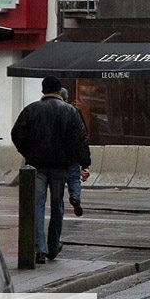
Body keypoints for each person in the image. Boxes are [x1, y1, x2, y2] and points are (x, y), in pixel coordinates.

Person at [11, 76, 91, 264]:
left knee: (37, 206)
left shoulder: (31, 110)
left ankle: (39, 249)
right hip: (60, 166)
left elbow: (16, 134)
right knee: (57, 206)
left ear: (43, 90)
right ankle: (53, 245)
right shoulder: (70, 111)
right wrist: (84, 163)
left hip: (37, 166)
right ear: (58, 91)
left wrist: (28, 152)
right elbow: (81, 139)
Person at [59, 87, 90, 217]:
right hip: (73, 155)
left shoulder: (51, 110)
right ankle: (75, 197)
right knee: (74, 179)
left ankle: (59, 204)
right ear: (67, 98)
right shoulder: (75, 112)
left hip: (57, 157)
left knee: (58, 183)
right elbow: (82, 137)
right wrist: (85, 164)